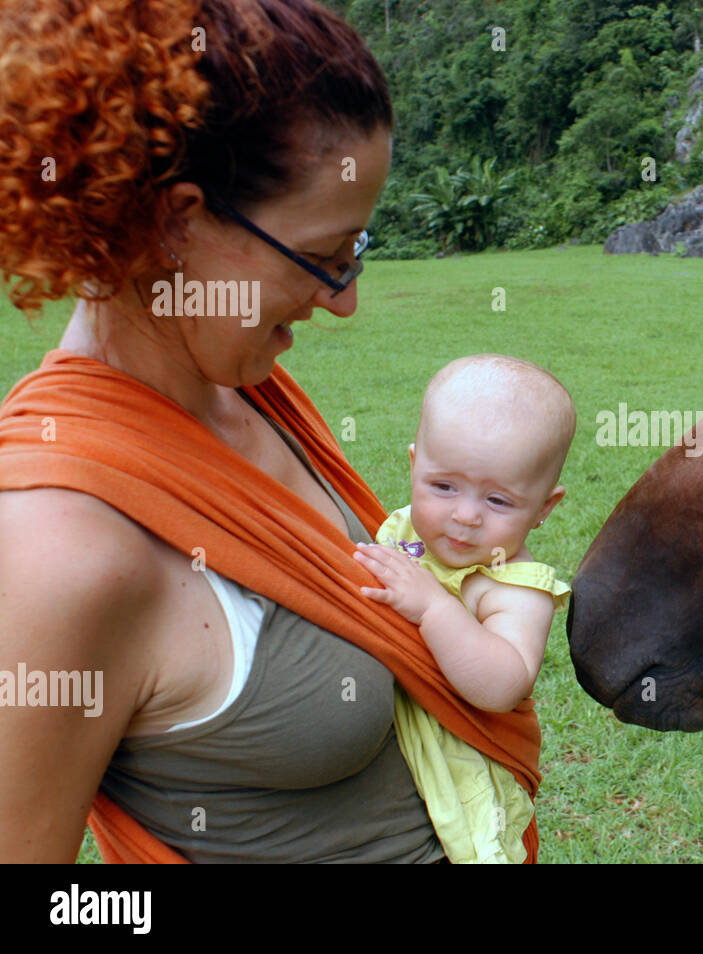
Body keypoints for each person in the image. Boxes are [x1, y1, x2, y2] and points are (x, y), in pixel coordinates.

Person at [0, 0, 541, 863]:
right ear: (178, 223)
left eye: (356, 254)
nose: (347, 298)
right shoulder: (56, 550)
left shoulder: (246, 392)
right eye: (326, 259)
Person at [354, 354, 575, 863]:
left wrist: (434, 608)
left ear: (544, 507)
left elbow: (501, 685)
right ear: (414, 466)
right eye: (444, 486)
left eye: (498, 501)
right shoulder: (405, 531)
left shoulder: (513, 587)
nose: (466, 516)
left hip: (461, 781)